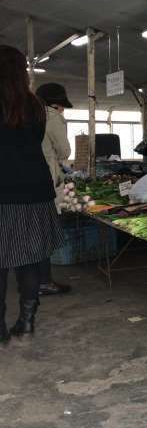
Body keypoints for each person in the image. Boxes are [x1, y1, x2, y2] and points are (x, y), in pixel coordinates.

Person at [0, 45, 64, 341]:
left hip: (3, 192)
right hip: (35, 190)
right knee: (28, 258)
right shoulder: (36, 106)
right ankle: (26, 321)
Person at [36, 83, 73, 296]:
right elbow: (64, 151)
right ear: (57, 104)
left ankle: (36, 280)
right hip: (45, 181)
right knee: (45, 231)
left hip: (23, 181)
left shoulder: (28, 114)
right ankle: (44, 281)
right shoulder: (52, 117)